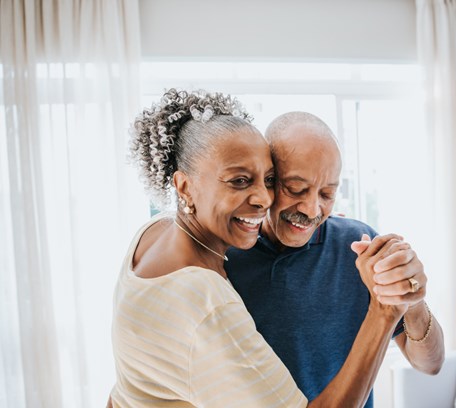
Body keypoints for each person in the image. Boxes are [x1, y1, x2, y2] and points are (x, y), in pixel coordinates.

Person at [110, 89, 414, 407]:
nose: (263, 199)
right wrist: (384, 312)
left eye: (268, 180)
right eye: (239, 180)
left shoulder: (151, 234)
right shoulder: (208, 301)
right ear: (184, 186)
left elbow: (123, 391)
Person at [225, 112, 445, 407]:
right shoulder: (224, 257)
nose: (312, 208)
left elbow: (430, 365)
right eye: (296, 189)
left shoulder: (359, 246)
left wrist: (413, 300)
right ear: (266, 179)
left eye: (327, 194)